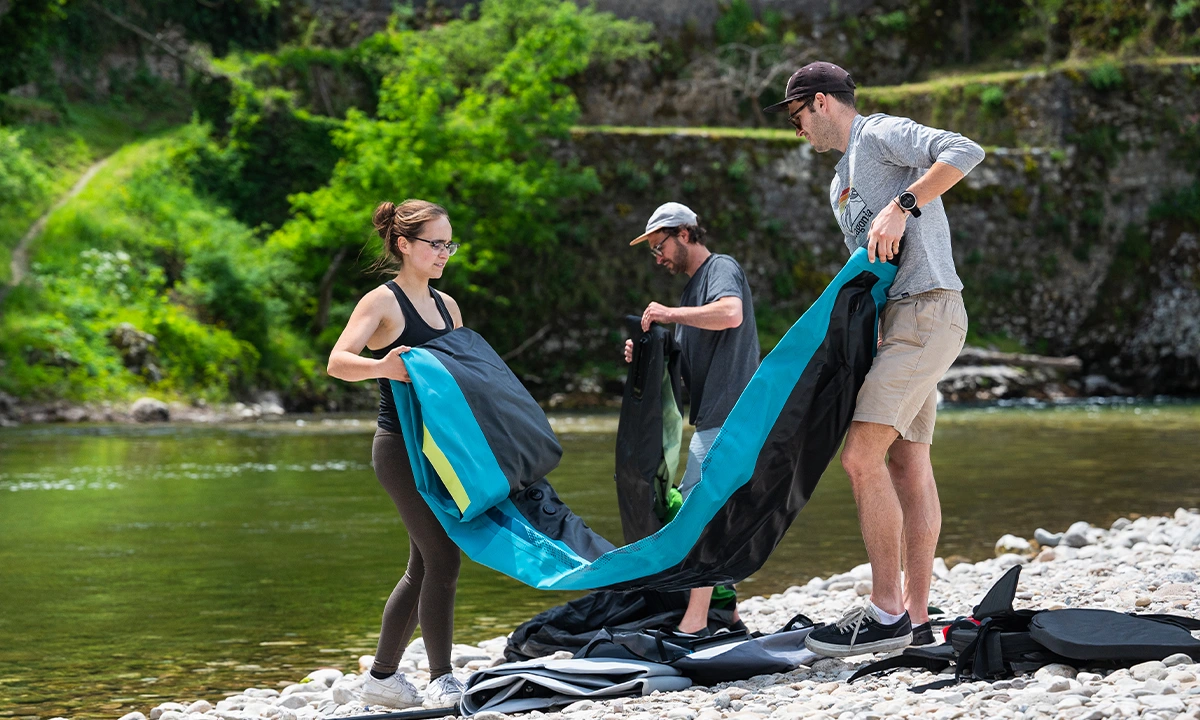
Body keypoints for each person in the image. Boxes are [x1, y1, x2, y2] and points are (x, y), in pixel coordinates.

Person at [763, 62, 984, 657]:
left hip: (929, 310)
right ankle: (912, 619)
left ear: (821, 103)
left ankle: (884, 613)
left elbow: (965, 150)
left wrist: (902, 205)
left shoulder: (880, 134)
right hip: (896, 327)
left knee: (861, 458)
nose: (796, 130)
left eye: (796, 117)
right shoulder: (841, 177)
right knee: (907, 467)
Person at [326, 199, 467, 708]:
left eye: (449, 243)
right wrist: (382, 367)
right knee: (443, 556)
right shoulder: (380, 302)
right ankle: (442, 677)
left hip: (442, 450)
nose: (444, 252)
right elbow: (338, 362)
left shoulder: (448, 307)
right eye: (436, 243)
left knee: (423, 563)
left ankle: (383, 676)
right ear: (404, 245)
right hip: (399, 449)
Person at [624, 201, 760, 635]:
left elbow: (730, 313)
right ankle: (728, 615)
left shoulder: (720, 268)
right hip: (712, 416)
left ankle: (696, 621)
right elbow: (682, 371)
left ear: (683, 234)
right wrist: (643, 359)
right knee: (711, 512)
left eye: (659, 245)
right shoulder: (690, 291)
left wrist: (668, 313)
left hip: (731, 413)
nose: (658, 256)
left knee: (696, 510)